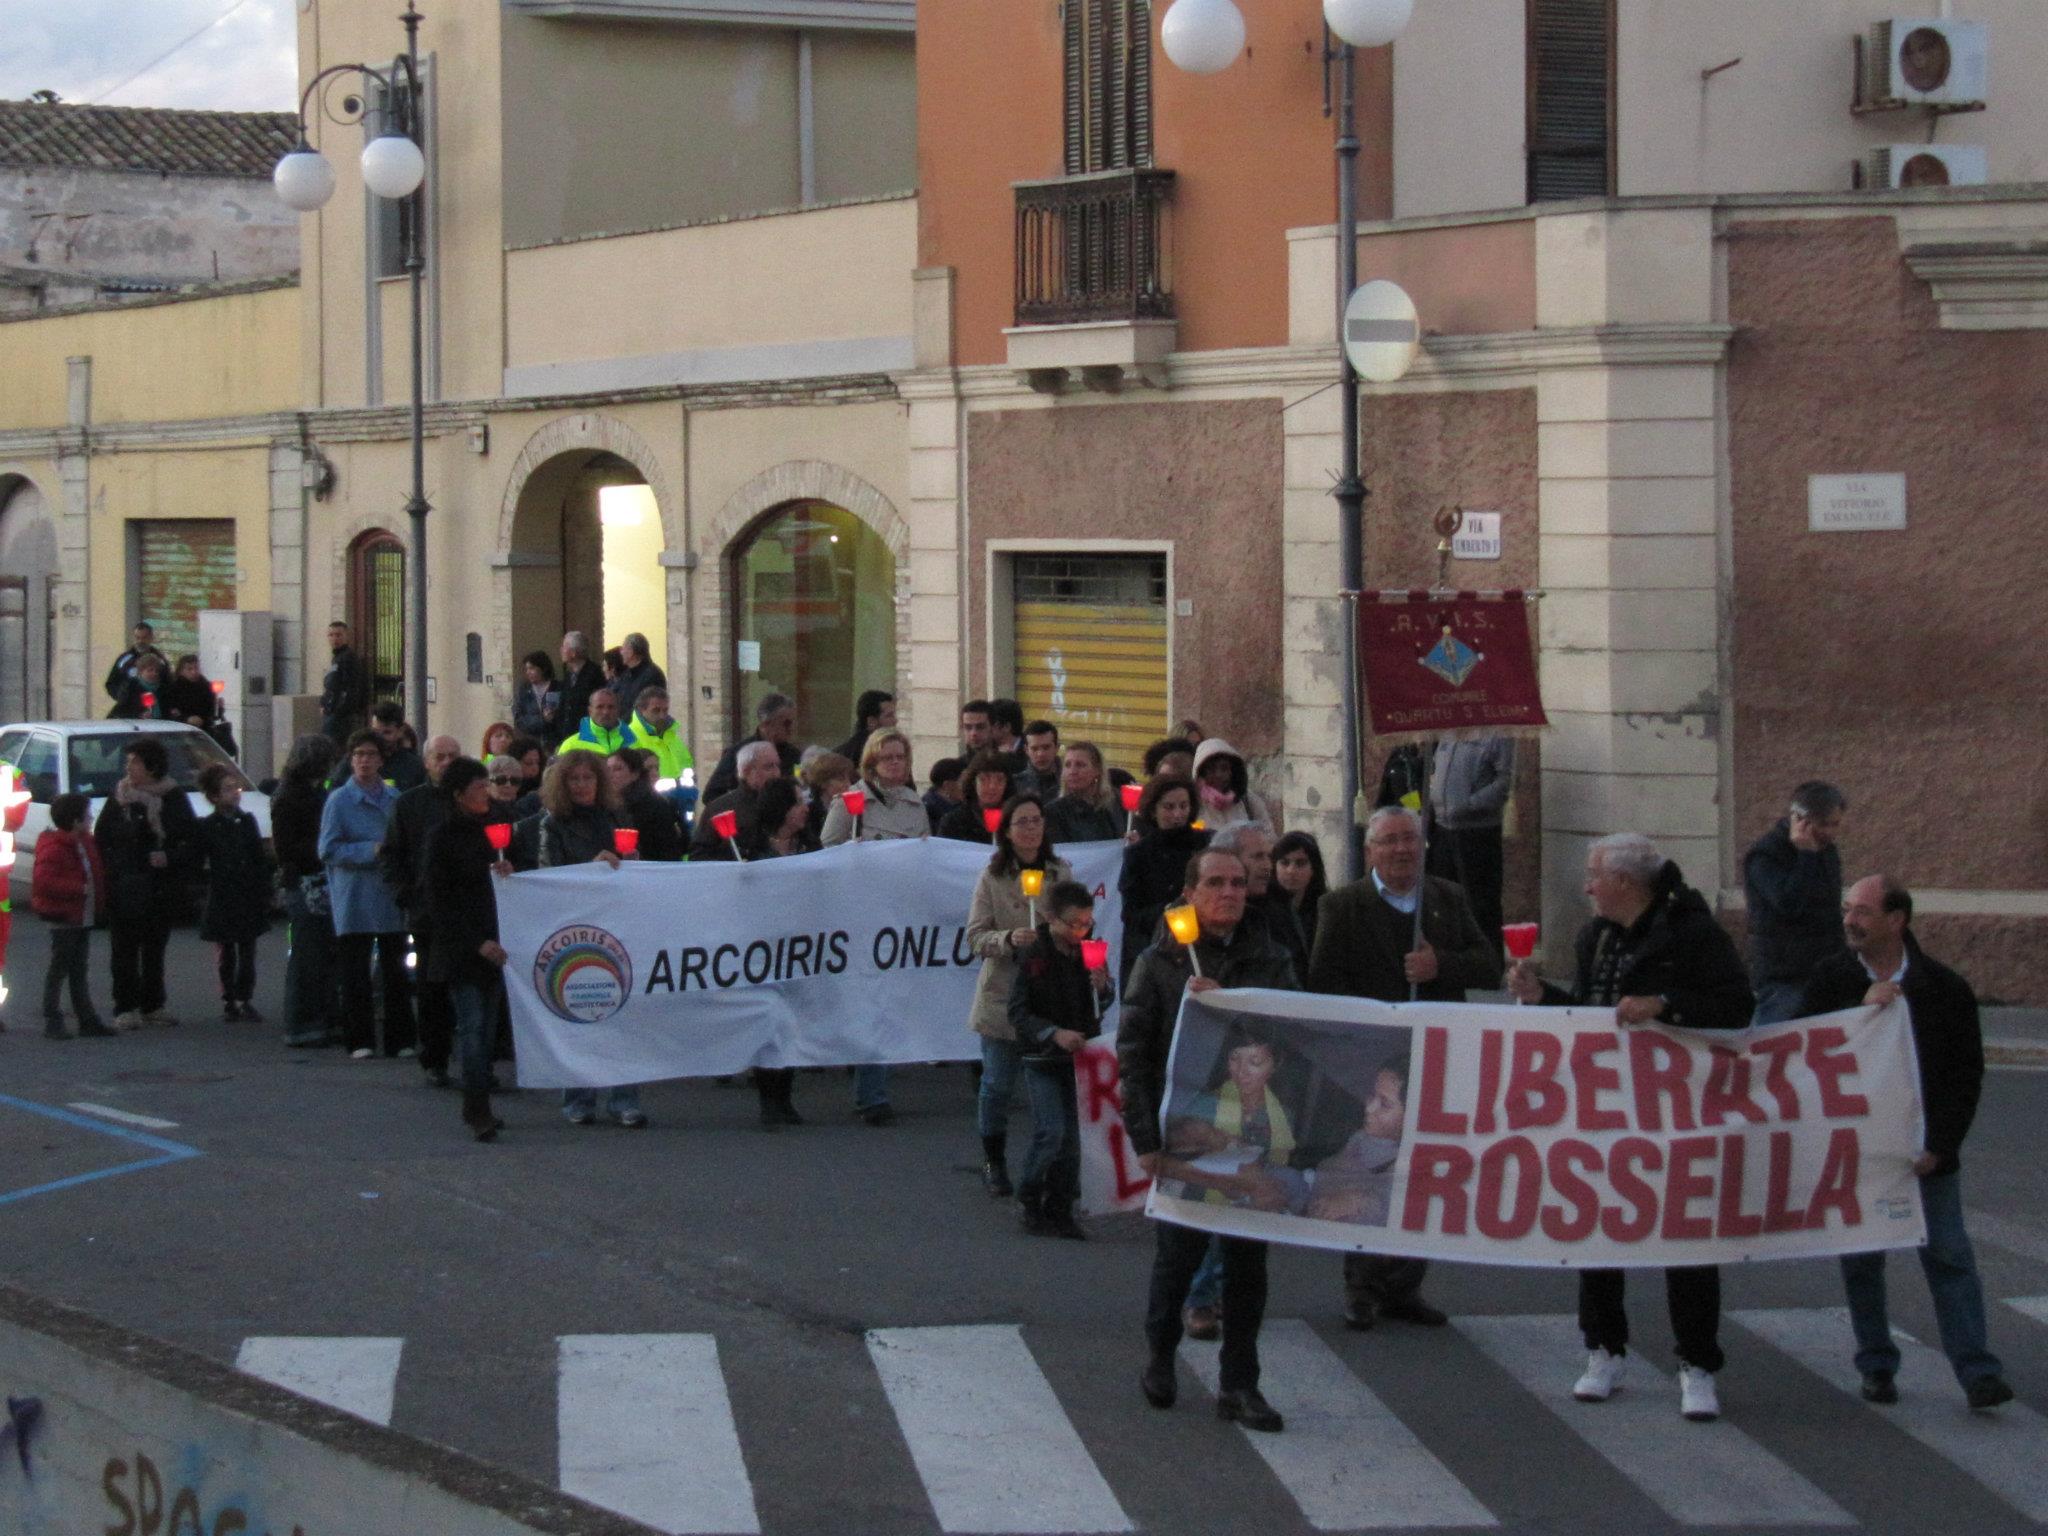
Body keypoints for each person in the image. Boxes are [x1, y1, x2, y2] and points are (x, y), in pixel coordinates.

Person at [1506, 832, 1753, 1423]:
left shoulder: (1691, 933)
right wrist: (1543, 998)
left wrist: (1665, 1004)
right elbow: (1595, 1016)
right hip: (1607, 1109)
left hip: (1678, 1113)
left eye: (1595, 875)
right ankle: (1603, 1349)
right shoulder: (1596, 937)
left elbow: (1737, 1008)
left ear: (1625, 882)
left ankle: (1697, 1364)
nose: (1587, 886)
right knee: (1598, 1227)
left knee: (1686, 1236)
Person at [1800, 876, 2014, 1411]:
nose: (1850, 920)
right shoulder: (1830, 980)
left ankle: (1977, 1371)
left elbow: (1966, 1076)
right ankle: (1876, 1364)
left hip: (1924, 1155)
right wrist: (1859, 1007)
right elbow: (1799, 1051)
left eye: (1863, 912)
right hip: (1858, 1150)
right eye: (1847, 909)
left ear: (1897, 921)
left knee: (1948, 1257)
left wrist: (1939, 1146)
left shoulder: (1943, 988)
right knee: (1863, 1261)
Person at [1121, 847, 1299, 1433]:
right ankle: (1160, 1357)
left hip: (1251, 1130)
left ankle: (1240, 1383)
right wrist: (1145, 1137)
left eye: (1239, 883)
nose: (1229, 892)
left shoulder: (1271, 959)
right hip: (1188, 1134)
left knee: (1248, 1268)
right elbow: (1135, 1053)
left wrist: (1229, 1009)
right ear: (1191, 894)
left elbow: (1294, 1039)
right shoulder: (1160, 960)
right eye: (1216, 882)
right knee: (1178, 1260)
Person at [1309, 806, 1498, 1332]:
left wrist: (1443, 966)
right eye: (1388, 841)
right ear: (1370, 851)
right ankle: (1362, 1285)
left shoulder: (1447, 899)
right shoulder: (1342, 907)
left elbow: (1488, 961)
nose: (1400, 850)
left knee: (1425, 1170)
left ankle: (1406, 1284)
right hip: (1373, 1067)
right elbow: (1324, 984)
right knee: (1374, 1171)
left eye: (1409, 840)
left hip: (1433, 1058)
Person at [967, 796, 1071, 1196]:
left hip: (1047, 994)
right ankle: (994, 1158)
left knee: (1048, 1085)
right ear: (1007, 830)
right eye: (1022, 822)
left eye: (1036, 820)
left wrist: (1056, 930)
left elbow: (1079, 922)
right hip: (1003, 994)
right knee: (996, 1085)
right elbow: (976, 936)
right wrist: (1009, 938)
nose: (1031, 828)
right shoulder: (991, 878)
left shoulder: (1059, 872)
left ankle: (1050, 1163)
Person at [537, 752, 646, 1127]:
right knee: (578, 1009)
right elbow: (547, 873)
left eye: (588, 778)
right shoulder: (554, 824)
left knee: (622, 1013)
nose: (582, 785)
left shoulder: (616, 818)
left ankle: (623, 1098)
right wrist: (591, 869)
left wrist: (627, 859)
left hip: (617, 923)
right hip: (575, 925)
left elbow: (635, 863)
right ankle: (578, 1097)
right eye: (574, 779)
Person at [1007, 879, 1112, 1239]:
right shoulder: (1035, 953)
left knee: (1072, 1140)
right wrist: (1053, 1033)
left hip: (1078, 1055)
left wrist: (1103, 988)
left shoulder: (1089, 950)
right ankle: (1030, 1194)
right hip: (1042, 1056)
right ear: (1051, 918)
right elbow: (1018, 1012)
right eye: (1073, 924)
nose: (1081, 931)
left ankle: (1060, 1205)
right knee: (1051, 1130)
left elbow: (1097, 1006)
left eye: (1086, 923)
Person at [421, 756, 513, 1142]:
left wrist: (509, 869)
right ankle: (477, 1108)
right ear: (459, 794)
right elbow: (439, 901)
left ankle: (479, 1102)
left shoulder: (495, 828)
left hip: (495, 942)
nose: (486, 793)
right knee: (473, 1028)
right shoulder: (442, 836)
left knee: (486, 1029)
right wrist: (477, 941)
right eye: (479, 787)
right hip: (463, 949)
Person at [320, 730, 416, 1061]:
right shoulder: (339, 800)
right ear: (350, 759)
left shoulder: (395, 798)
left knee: (395, 971)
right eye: (358, 754)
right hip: (355, 895)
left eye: (370, 754)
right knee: (356, 973)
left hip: (389, 895)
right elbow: (328, 849)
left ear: (381, 759)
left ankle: (400, 1038)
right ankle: (359, 1038)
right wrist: (369, 850)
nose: (364, 760)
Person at [94, 736, 198, 1029]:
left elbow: (188, 839)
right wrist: (114, 868)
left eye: (135, 762)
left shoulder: (172, 797)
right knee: (123, 949)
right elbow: (102, 837)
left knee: (154, 948)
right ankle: (125, 1007)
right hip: (124, 883)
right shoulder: (121, 796)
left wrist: (168, 856)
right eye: (128, 762)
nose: (129, 768)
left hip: (158, 885)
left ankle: (153, 1004)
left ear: (152, 766)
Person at [378, 735, 463, 1085]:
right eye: (438, 757)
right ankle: (435, 1058)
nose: (445, 763)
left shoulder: (472, 801)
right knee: (432, 988)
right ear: (426, 762)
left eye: (452, 757)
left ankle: (479, 1061)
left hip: (467, 910)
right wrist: (407, 896)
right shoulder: (410, 804)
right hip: (427, 913)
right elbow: (392, 855)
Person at [1745, 780, 1849, 1023]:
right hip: (1785, 978)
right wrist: (1806, 855)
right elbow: (1789, 904)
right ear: (1800, 819)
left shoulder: (1827, 851)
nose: (1831, 833)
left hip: (1824, 973)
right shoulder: (1766, 854)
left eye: (1835, 824)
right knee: (1770, 1049)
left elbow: (1830, 910)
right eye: (1824, 824)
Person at [273, 734, 341, 1048]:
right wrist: (323, 850)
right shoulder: (293, 796)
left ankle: (317, 1018)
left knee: (317, 953)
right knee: (308, 954)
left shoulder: (304, 792)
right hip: (305, 880)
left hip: (309, 879)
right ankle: (303, 1021)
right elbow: (288, 847)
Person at [194, 762, 272, 1023]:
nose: (235, 793)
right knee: (226, 950)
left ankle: (244, 997)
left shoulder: (246, 821)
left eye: (236, 788)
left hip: (247, 891)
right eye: (227, 789)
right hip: (223, 892)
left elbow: (258, 857)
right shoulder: (208, 825)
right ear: (215, 796)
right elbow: (201, 860)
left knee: (248, 949)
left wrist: (264, 887)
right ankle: (229, 998)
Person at [29, 792, 111, 1038]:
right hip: (63, 917)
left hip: (81, 916)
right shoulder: (56, 848)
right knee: (60, 969)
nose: (91, 817)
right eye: (87, 815)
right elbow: (43, 882)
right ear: (75, 820)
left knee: (77, 969)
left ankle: (86, 1018)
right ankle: (53, 1019)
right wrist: (79, 889)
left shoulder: (84, 842)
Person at [1117, 774, 1209, 985]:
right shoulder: (1139, 854)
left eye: (1183, 806)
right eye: (1169, 807)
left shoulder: (1204, 844)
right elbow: (1131, 913)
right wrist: (1169, 910)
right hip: (1156, 948)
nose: (1177, 814)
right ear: (1153, 810)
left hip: (1201, 946)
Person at [1427, 735, 1516, 951]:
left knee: (1479, 902)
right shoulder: (1451, 731)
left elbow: (1506, 780)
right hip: (1443, 828)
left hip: (1477, 831)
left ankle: (1488, 964)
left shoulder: (1498, 734)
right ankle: (1450, 958)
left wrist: (1470, 804)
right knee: (1443, 898)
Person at [821, 728, 928, 845]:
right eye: (887, 758)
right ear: (872, 762)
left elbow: (924, 849)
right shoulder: (851, 799)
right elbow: (829, 847)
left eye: (900, 757)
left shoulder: (914, 802)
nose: (895, 762)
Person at [703, 692, 802, 802]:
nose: (791, 728)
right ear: (766, 724)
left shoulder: (795, 755)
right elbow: (711, 795)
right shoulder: (739, 753)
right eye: (786, 723)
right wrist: (743, 809)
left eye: (793, 723)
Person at [692, 739, 782, 860]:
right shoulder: (721, 808)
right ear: (746, 771)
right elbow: (699, 856)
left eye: (778, 766)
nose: (777, 773)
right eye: (768, 767)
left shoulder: (788, 803)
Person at [1264, 831, 1329, 982]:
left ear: (1313, 868)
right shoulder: (1265, 910)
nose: (1291, 871)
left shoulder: (1326, 908)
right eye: (1284, 862)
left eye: (1300, 863)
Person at [609, 747, 688, 862]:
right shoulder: (605, 803)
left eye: (617, 769)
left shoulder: (658, 804)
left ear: (635, 773)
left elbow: (675, 846)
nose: (655, 773)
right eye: (607, 769)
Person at [1044, 740, 1125, 844]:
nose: (1073, 771)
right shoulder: (1053, 811)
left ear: (1097, 770)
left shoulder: (1115, 802)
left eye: (1080, 765)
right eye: (1067, 765)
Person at [1191, 738, 1273, 834]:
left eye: (1224, 768)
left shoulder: (1248, 801)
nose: (1219, 775)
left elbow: (1269, 836)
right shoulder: (1194, 804)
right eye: (1211, 769)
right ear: (1201, 773)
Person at [620, 686, 694, 791]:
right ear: (642, 710)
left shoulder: (672, 737)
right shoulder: (629, 738)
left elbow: (687, 766)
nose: (662, 716)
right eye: (656, 710)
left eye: (665, 710)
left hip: (682, 801)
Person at [938, 749, 1016, 844]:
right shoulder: (954, 822)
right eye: (984, 779)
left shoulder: (1017, 819)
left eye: (999, 779)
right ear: (973, 782)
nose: (992, 786)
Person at [320, 621, 371, 746]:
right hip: (333, 713)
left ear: (346, 636)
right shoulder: (337, 658)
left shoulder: (348, 658)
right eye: (331, 635)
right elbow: (331, 686)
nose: (334, 639)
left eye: (338, 635)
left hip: (341, 717)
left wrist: (336, 710)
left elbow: (351, 688)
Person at [556, 631, 606, 736]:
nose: (561, 650)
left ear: (573, 652)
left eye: (564, 647)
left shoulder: (594, 674)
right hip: (568, 734)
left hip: (587, 733)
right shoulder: (569, 675)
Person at [104, 620, 165, 705]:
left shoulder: (160, 659)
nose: (140, 641)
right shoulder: (124, 660)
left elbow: (167, 682)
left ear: (151, 638)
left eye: (144, 638)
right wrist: (122, 698)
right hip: (129, 708)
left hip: (153, 707)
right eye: (137, 637)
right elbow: (111, 683)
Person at [803, 751, 857, 843]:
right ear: (823, 782)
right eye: (841, 779)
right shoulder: (810, 814)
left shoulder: (854, 806)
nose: (848, 784)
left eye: (849, 779)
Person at [370, 702, 426, 791]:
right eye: (375, 732)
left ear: (400, 731)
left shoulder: (414, 766)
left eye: (387, 732)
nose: (379, 738)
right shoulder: (358, 760)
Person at [558, 686, 626, 758]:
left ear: (618, 710)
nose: (606, 712)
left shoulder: (634, 742)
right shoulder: (571, 746)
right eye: (600, 707)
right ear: (590, 711)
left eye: (611, 707)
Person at [611, 632, 666, 719]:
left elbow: (642, 707)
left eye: (623, 649)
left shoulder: (652, 676)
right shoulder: (626, 674)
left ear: (631, 652)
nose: (621, 653)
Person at [835, 689, 896, 767]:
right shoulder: (869, 754)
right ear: (871, 722)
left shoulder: (843, 752)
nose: (895, 721)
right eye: (889, 716)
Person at [512, 651, 561, 741]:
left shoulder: (558, 688)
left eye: (532, 668)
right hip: (531, 741)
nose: (528, 672)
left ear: (543, 668)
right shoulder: (524, 690)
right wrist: (542, 719)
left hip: (554, 741)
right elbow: (519, 719)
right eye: (526, 669)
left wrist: (553, 717)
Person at [108, 653, 169, 720]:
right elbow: (123, 710)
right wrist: (139, 715)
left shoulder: (162, 689)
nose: (154, 673)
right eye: (150, 670)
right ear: (141, 671)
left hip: (159, 726)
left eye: (156, 671)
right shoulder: (131, 688)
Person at [161, 654, 215, 728]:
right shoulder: (173, 688)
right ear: (181, 671)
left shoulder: (206, 686)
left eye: (196, 668)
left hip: (204, 728)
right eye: (189, 669)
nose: (194, 672)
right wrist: (186, 718)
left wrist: (204, 719)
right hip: (181, 728)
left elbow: (211, 709)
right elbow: (169, 710)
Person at [1018, 720, 1063, 801]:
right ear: (1026, 750)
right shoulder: (1015, 785)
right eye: (1034, 749)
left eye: (1046, 747)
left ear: (1057, 747)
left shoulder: (1071, 781)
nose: (1041, 754)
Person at [923, 757, 965, 834]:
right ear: (947, 785)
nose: (968, 786)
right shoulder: (926, 813)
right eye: (963, 782)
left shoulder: (964, 808)